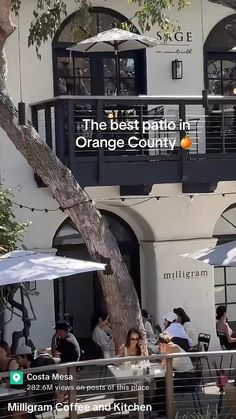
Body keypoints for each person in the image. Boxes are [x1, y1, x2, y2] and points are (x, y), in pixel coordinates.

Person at [152, 332, 194, 416]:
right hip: (185, 375)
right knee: (160, 380)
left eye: (159, 347)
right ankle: (158, 408)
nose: (160, 350)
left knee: (163, 381)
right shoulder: (172, 346)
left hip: (188, 378)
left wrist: (157, 357)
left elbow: (163, 364)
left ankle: (159, 409)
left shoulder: (171, 348)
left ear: (161, 344)